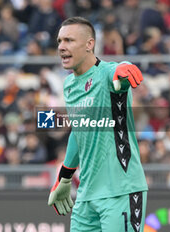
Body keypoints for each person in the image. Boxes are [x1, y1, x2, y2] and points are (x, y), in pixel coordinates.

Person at [48, 17, 148, 232]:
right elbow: (79, 130)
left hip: (120, 190)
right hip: (86, 196)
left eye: (68, 40)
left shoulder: (107, 74)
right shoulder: (69, 85)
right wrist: (65, 177)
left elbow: (119, 72)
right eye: (59, 41)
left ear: (89, 44)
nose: (61, 47)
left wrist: (125, 67)